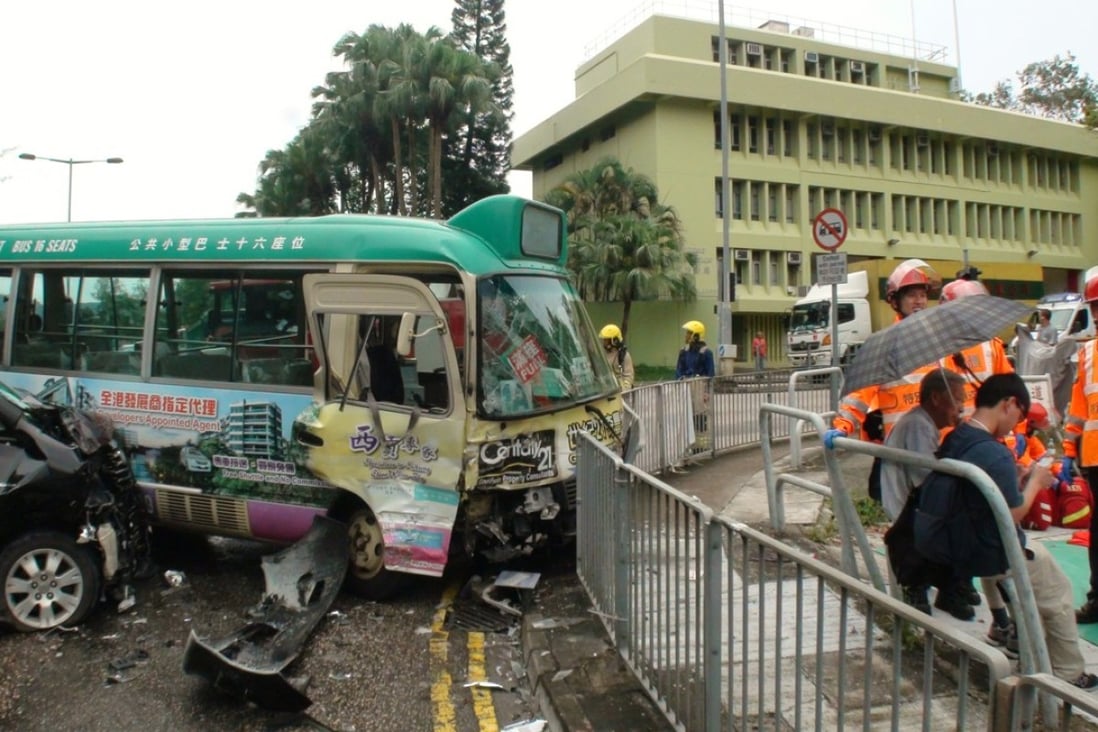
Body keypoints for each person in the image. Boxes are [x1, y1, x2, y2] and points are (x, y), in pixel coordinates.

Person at [918, 374, 1098, 689]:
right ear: (1009, 403)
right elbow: (1011, 513)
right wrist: (1034, 484)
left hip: (951, 541)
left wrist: (1011, 480)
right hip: (988, 550)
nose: (1017, 425)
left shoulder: (956, 438)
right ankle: (1069, 674)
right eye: (1019, 415)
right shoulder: (994, 452)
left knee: (1032, 580)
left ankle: (1014, 635)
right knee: (1057, 590)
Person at [880, 369, 967, 616]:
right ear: (937, 398)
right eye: (958, 400)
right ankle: (941, 587)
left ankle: (952, 586)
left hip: (913, 501)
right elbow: (925, 477)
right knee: (964, 515)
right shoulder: (918, 425)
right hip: (907, 507)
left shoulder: (923, 423)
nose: (961, 407)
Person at [826, 259, 942, 445]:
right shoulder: (884, 345)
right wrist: (843, 425)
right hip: (898, 445)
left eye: (922, 295)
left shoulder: (937, 340)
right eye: (912, 295)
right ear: (895, 301)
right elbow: (859, 394)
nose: (919, 301)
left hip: (937, 441)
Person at [1060, 269, 1098, 624]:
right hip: (1095, 459)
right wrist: (1069, 452)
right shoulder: (1087, 355)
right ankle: (1097, 600)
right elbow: (1078, 410)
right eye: (1096, 308)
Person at [672, 320, 715, 470]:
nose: (686, 335)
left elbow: (710, 374)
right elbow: (678, 370)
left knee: (699, 416)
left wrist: (706, 392)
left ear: (696, 335)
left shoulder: (706, 352)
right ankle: (687, 446)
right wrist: (679, 380)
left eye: (689, 333)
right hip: (685, 386)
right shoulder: (683, 351)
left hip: (699, 386)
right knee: (685, 417)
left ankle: (700, 447)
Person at [599, 323, 635, 390]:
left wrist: (624, 391)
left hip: (619, 392)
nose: (604, 342)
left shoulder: (623, 355)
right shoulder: (603, 354)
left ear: (614, 340)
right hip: (606, 391)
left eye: (606, 339)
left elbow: (628, 376)